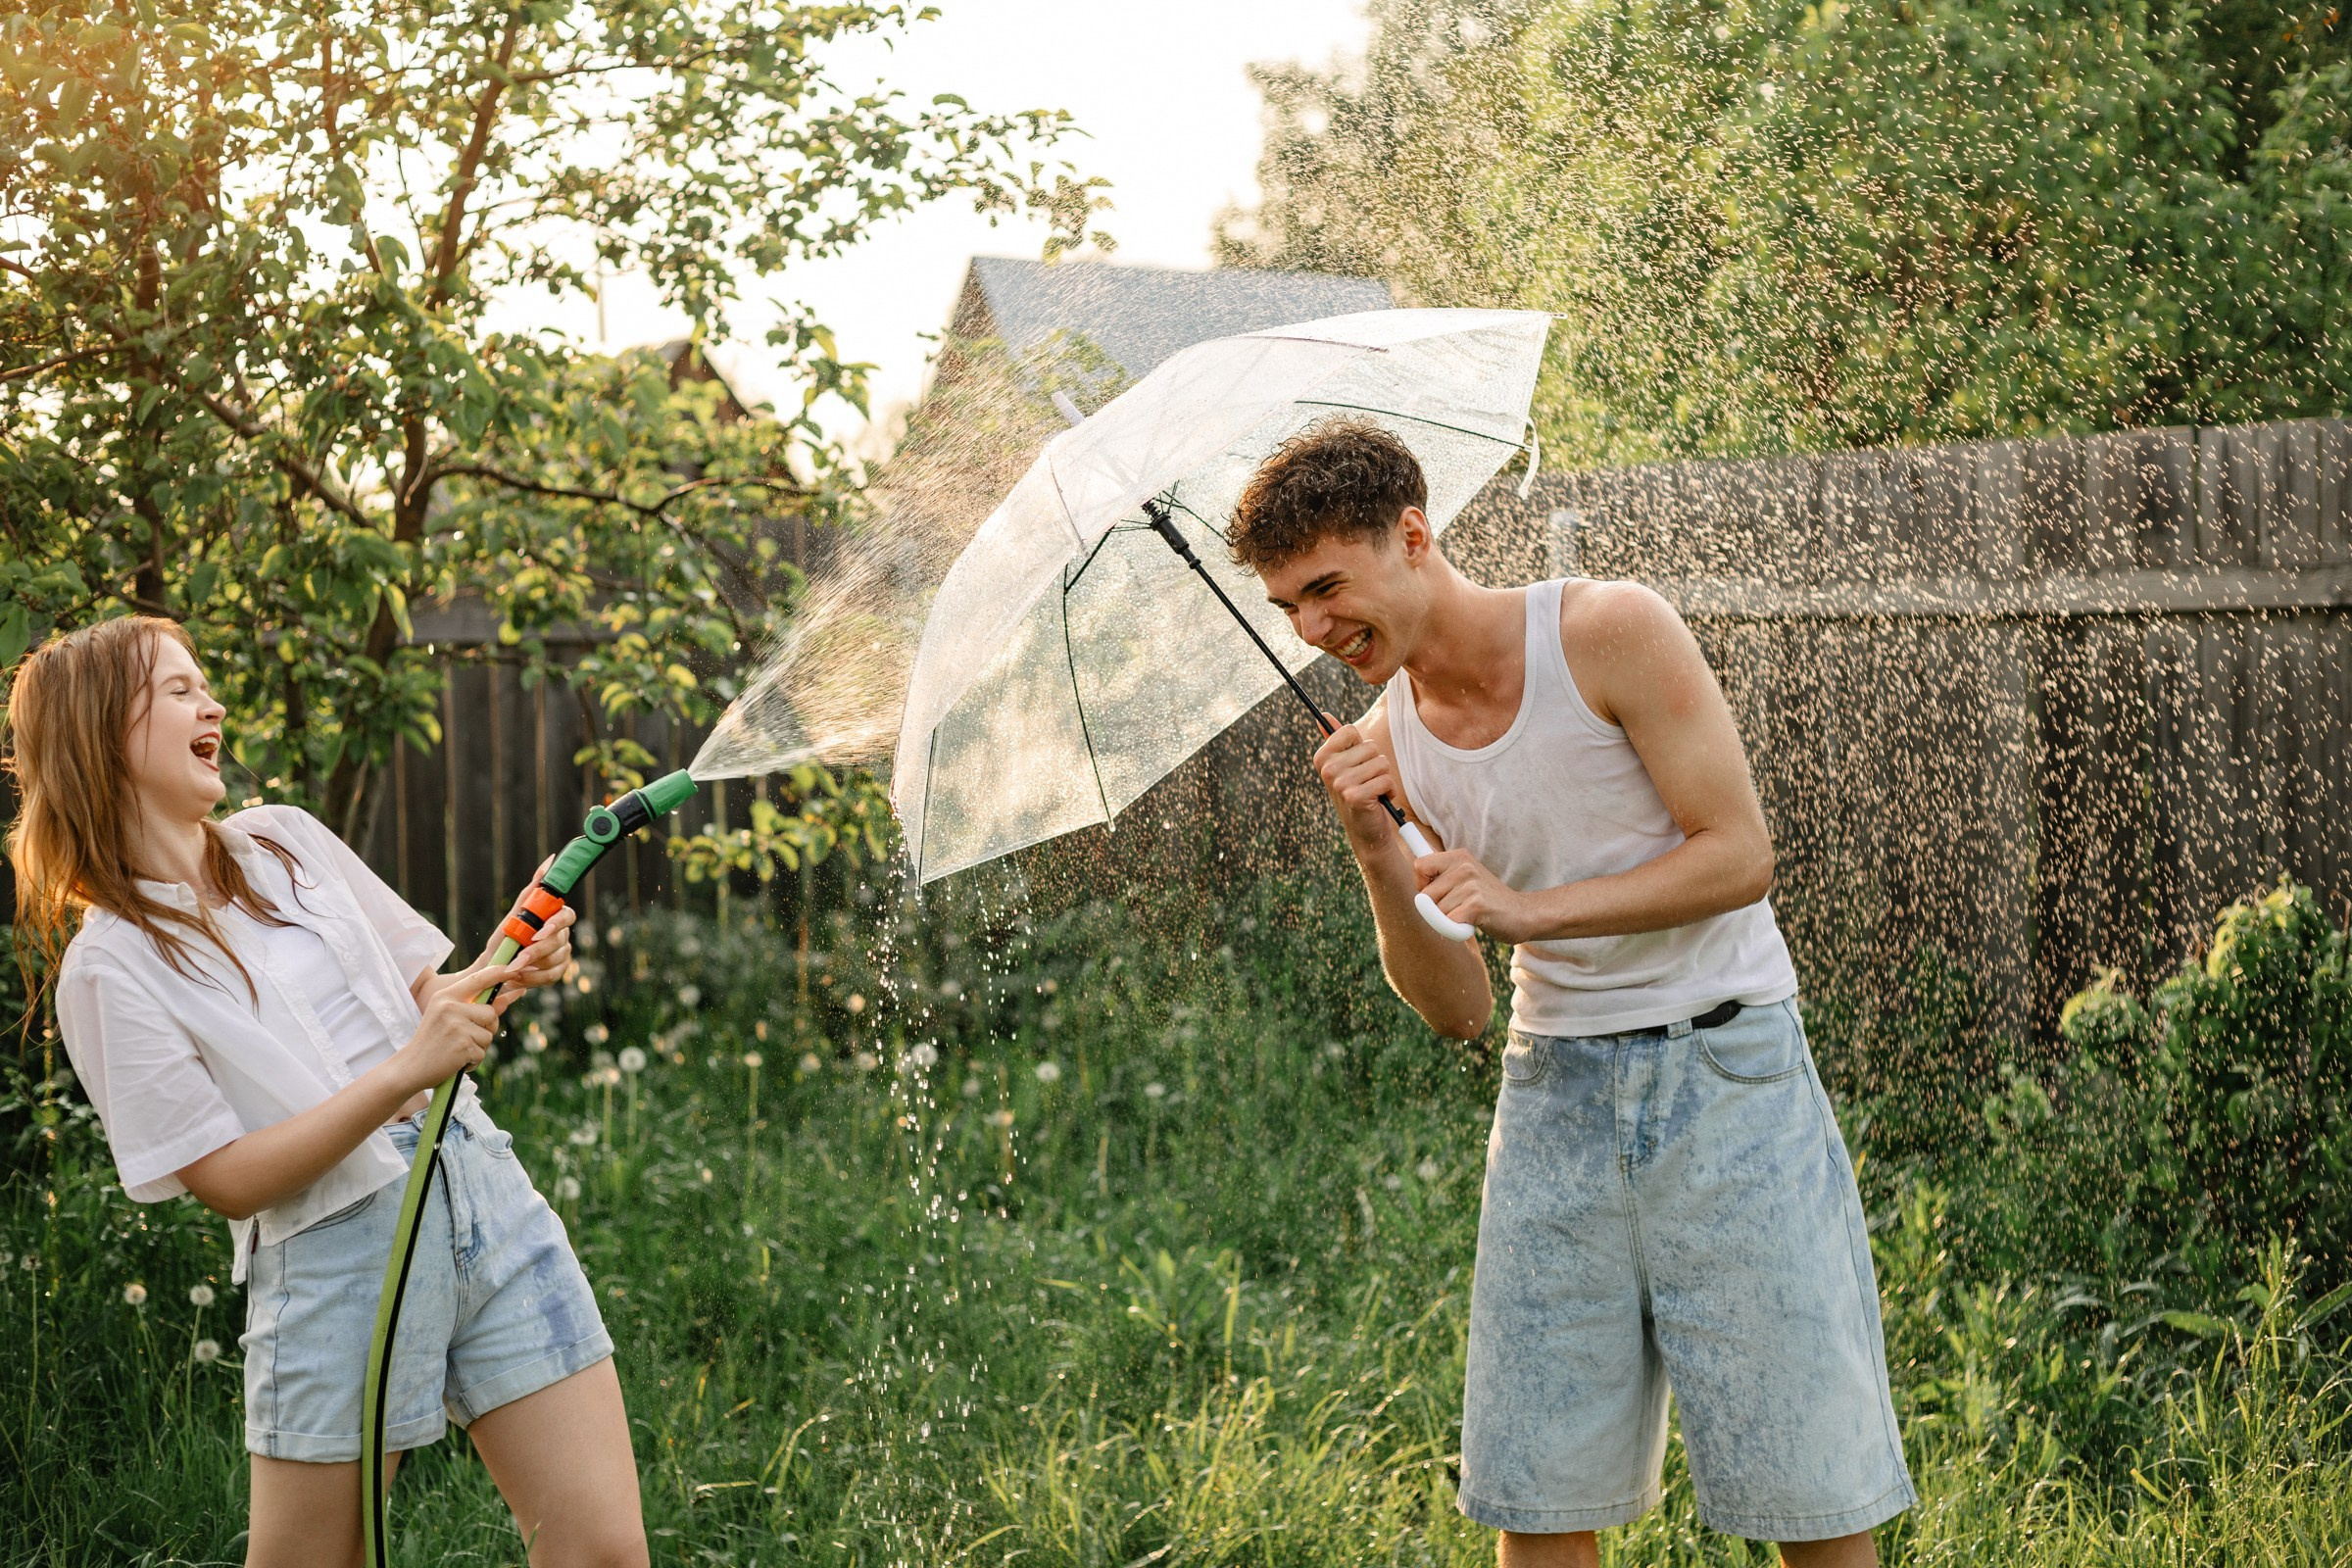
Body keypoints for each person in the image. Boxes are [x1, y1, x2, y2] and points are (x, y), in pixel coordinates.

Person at [1227, 421, 1914, 1567]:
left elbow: (1738, 855)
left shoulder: (1607, 630)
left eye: (1327, 587)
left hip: (1728, 1075)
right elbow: (1459, 1008)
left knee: (1806, 1481)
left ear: (1413, 536)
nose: (1309, 628)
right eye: (1288, 605)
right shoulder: (1390, 736)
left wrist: (1530, 911)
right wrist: (1375, 851)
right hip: (1553, 1097)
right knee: (1538, 1494)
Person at [7, 616, 649, 1568]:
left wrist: (513, 960)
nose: (211, 703)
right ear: (102, 734)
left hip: (485, 1199)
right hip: (331, 1258)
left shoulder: (286, 843)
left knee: (602, 1551)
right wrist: (404, 1071)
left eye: (204, 684)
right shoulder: (111, 965)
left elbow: (428, 1001)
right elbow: (225, 1177)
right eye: (177, 690)